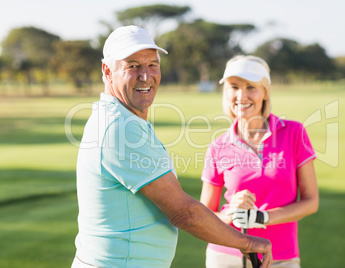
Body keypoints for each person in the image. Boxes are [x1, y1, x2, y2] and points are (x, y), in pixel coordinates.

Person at [72, 26, 272, 268]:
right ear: (107, 71)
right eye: (133, 65)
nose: (146, 76)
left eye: (153, 64)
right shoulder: (121, 127)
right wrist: (248, 243)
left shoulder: (121, 118)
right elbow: (185, 213)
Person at [200, 55, 319, 268]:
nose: (241, 95)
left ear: (265, 92)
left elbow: (311, 202)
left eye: (251, 87)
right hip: (226, 256)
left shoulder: (294, 132)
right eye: (234, 87)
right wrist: (230, 214)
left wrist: (261, 217)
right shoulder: (218, 146)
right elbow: (205, 213)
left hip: (282, 255)